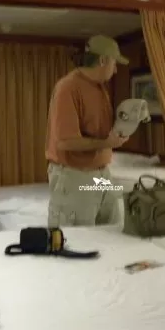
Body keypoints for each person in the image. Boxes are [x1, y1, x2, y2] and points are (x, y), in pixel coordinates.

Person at [45, 35, 130, 227]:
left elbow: (98, 130)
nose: (116, 69)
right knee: (75, 238)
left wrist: (121, 129)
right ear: (103, 60)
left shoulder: (100, 89)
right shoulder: (68, 88)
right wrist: (107, 143)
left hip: (101, 174)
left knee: (111, 231)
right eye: (114, 63)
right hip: (75, 175)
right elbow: (66, 142)